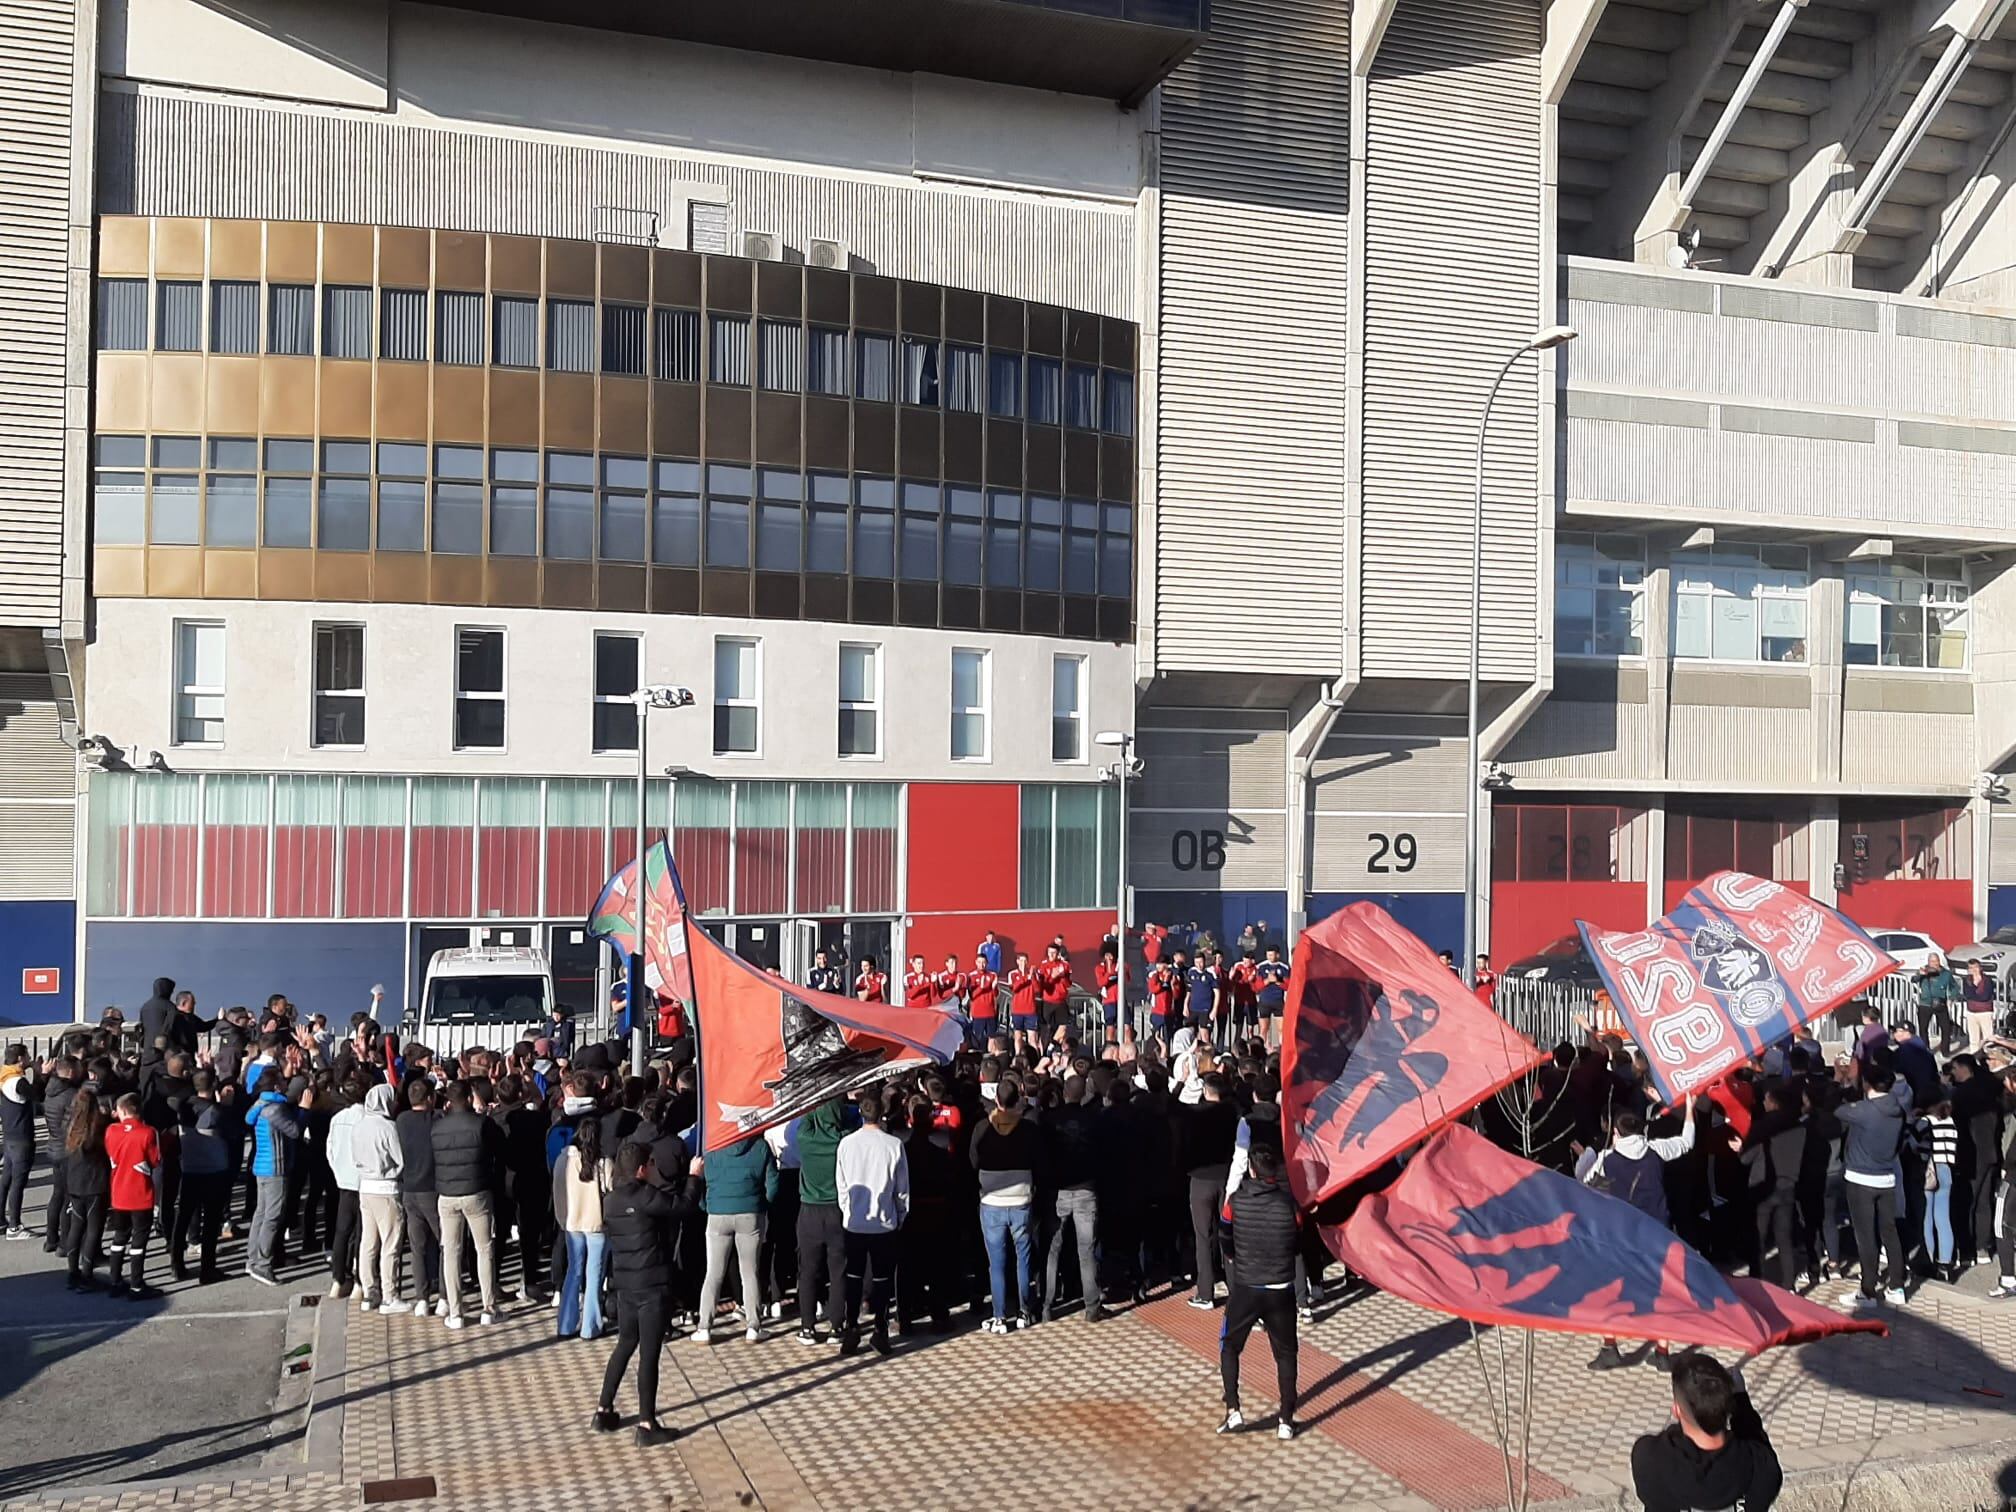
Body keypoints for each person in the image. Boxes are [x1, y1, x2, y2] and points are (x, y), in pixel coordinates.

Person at [597, 1140, 704, 1446]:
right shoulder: (647, 1197)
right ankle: (646, 1423)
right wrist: (694, 1178)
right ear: (642, 1169)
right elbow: (683, 1207)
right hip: (652, 1285)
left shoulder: (612, 1200)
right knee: (649, 1354)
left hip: (626, 1285)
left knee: (625, 1344)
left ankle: (604, 1408)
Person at [1578, 1095, 1697, 1369]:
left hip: (1620, 1237)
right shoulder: (1656, 1150)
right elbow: (1686, 1142)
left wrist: (1586, 1156)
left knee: (1609, 1291)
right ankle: (1662, 1351)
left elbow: (1584, 1181)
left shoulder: (1607, 1158)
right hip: (1657, 1234)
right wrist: (1690, 1109)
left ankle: (1610, 1348)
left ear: (1616, 1134)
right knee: (1661, 1291)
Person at [1216, 1142, 1301, 1440]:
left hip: (1246, 1286)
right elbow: (1299, 1241)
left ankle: (1233, 1410)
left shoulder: (1235, 1201)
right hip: (1281, 1289)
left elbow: (1224, 1234)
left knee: (1230, 1344)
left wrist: (1232, 1256)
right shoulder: (1289, 1203)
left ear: (1251, 1169)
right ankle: (1286, 1420)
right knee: (1286, 1353)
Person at [1630, 1354, 1781, 1512]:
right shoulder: (1760, 1467)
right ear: (1729, 1406)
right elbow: (1756, 1438)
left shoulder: (1649, 1459)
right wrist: (1742, 1402)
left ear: (1676, 1410)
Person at [835, 1094, 909, 1356]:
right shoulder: (893, 1145)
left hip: (855, 1221)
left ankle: (852, 1327)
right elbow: (902, 1188)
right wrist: (900, 1215)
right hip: (884, 1222)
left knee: (854, 1277)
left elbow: (841, 1185)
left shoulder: (846, 1144)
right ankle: (880, 1329)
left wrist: (848, 1211)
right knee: (882, 1279)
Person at [1838, 1063, 1912, 1308]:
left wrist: (1845, 1083)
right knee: (1890, 1232)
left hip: (1860, 1178)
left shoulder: (1864, 1110)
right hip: (1887, 1177)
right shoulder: (1897, 1109)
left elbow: (1838, 1110)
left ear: (1867, 1084)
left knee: (1865, 1236)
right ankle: (1897, 1286)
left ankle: (1868, 1290)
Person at [693, 1132, 777, 1344]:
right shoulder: (760, 1147)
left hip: (717, 1213)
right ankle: (754, 1326)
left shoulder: (712, 1147)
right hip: (750, 1213)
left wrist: (707, 1206)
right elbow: (773, 1183)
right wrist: (761, 1205)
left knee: (713, 1273)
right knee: (749, 1273)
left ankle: (704, 1327)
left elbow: (699, 1184)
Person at [432, 1079, 504, 1328]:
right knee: (484, 1249)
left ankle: (455, 1312)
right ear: (470, 1097)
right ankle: (489, 1307)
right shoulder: (481, 1124)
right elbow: (499, 1148)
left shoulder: (437, 1127)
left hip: (446, 1194)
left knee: (451, 1251)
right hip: (477, 1191)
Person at [971, 1077, 1039, 1333]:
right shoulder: (1029, 1129)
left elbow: (973, 1160)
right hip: (1021, 1198)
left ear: (997, 1100)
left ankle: (999, 1316)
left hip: (991, 1201)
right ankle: (1024, 1311)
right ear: (1019, 1100)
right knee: (1023, 1258)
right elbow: (1038, 1159)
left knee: (996, 1262)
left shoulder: (982, 1128)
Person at [1041, 1075, 1103, 1323]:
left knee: (1052, 1250)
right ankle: (1091, 1307)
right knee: (1086, 1251)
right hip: (1086, 1188)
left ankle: (1046, 1305)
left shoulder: (1049, 1120)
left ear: (1065, 1091)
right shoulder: (1094, 1120)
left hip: (1058, 1191)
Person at [1179, 1072, 1242, 1308]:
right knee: (1229, 1233)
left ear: (1205, 1091)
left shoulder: (1194, 1116)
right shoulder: (1232, 1115)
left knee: (1203, 1236)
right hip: (1226, 1178)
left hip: (1200, 1180)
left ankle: (1205, 1292)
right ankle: (1235, 1288)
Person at [794, 1097, 851, 1346]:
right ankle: (837, 1326)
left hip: (809, 1211)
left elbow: (805, 1115)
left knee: (808, 1271)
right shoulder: (845, 1140)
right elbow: (852, 1118)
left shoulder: (805, 1138)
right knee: (838, 1270)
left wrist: (816, 1099)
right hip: (837, 1210)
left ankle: (807, 1326)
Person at [246, 1067, 309, 1286]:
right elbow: (294, 1131)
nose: (285, 1084)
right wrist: (303, 1110)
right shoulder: (275, 1109)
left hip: (261, 1166)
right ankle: (263, 1264)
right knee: (272, 1217)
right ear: (275, 1086)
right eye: (282, 1081)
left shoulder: (260, 1105)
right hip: (275, 1167)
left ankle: (253, 1258)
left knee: (260, 1215)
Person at [555, 1115, 614, 1339]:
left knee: (573, 1271)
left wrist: (563, 1221)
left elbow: (558, 1193)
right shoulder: (603, 1163)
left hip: (572, 1224)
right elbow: (610, 1190)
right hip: (597, 1225)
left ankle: (566, 1324)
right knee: (594, 1275)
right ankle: (591, 1326)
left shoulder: (564, 1160)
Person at [173, 1070, 233, 1283]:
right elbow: (233, 1132)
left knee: (184, 1218)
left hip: (189, 1167)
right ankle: (208, 1268)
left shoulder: (183, 1107)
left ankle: (177, 1264)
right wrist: (226, 1105)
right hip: (214, 1169)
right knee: (211, 1221)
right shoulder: (216, 1112)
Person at [352, 1083, 406, 1313]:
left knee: (368, 1242)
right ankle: (389, 1295)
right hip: (387, 1188)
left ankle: (369, 1290)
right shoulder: (388, 1127)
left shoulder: (359, 1125)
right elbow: (400, 1159)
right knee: (390, 1243)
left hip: (365, 1187)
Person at [104, 1092, 162, 1299]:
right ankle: (136, 1285)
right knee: (139, 1240)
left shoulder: (111, 1131)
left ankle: (115, 1280)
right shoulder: (148, 1132)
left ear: (123, 1111)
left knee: (119, 1237)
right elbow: (155, 1161)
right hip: (140, 1194)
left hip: (119, 1193)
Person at [398, 1080, 444, 1315]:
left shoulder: (402, 1121)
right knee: (445, 1242)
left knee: (418, 1247)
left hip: (409, 1190)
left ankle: (422, 1298)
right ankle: (445, 1297)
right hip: (432, 1189)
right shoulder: (435, 1120)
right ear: (429, 1099)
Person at [61, 1094, 111, 1292]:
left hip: (75, 1182)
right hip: (94, 1183)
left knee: (77, 1226)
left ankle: (73, 1273)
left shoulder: (72, 1127)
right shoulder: (97, 1127)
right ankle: (87, 1274)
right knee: (93, 1230)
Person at [324, 1075, 367, 1300]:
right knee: (362, 1233)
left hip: (343, 1180)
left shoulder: (338, 1118)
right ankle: (360, 1282)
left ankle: (338, 1279)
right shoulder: (367, 1118)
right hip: (364, 1180)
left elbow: (330, 1149)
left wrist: (338, 1169)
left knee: (342, 1232)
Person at [1916, 1096, 1960, 1283]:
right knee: (1943, 1218)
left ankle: (1928, 1261)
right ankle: (1945, 1264)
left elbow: (1915, 1144)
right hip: (1946, 1170)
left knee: (1927, 1218)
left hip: (1929, 1171)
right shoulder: (1950, 1121)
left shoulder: (1925, 1122)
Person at [1, 1044, 34, 1240]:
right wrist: (41, 1074)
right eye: (27, 1055)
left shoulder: (4, 1075)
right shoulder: (19, 1081)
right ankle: (14, 1226)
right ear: (21, 1058)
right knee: (17, 1183)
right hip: (22, 1137)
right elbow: (38, 1096)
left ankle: (1, 1221)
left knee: (6, 1180)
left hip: (9, 1135)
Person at [1915, 955, 1958, 1054]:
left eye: (1936, 961)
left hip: (1940, 1003)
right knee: (1923, 1028)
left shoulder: (1946, 974)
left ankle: (1945, 1051)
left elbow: (1954, 986)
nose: (1934, 963)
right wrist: (1920, 974)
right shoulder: (1924, 971)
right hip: (1925, 1004)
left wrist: (1951, 997)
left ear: (1939, 961)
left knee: (1945, 1028)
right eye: (1932, 961)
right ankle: (1925, 1049)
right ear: (1928, 962)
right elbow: (1914, 979)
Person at [1254, 948, 1290, 1048]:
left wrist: (1277, 981)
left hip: (1278, 1001)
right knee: (1263, 1029)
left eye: (1271, 955)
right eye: (1268, 955)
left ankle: (1282, 1050)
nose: (1269, 957)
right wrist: (1268, 981)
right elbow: (1257, 987)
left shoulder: (1284, 968)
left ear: (1277, 955)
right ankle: (1263, 1050)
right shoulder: (1261, 967)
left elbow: (1288, 986)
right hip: (1265, 1001)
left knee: (1282, 1029)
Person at [1961, 959, 1998, 1054]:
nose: (1973, 970)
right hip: (1971, 1013)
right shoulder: (1966, 980)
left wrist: (1974, 995)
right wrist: (1974, 988)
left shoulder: (1987, 980)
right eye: (1971, 968)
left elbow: (1985, 996)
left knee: (1988, 1038)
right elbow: (1967, 994)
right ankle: (1974, 1059)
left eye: (1975, 967)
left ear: (1980, 968)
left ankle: (1989, 1058)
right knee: (1973, 1040)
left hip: (1985, 1012)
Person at [967, 952, 1001, 1052]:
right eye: (979, 962)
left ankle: (990, 1061)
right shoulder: (971, 976)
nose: (982, 965)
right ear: (976, 963)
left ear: (987, 963)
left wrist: (994, 987)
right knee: (977, 1039)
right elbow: (972, 996)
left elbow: (996, 994)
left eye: (984, 962)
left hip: (990, 1012)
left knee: (992, 1038)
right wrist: (982, 988)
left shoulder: (992, 975)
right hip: (978, 1013)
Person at [1035, 944, 1073, 1033]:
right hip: (1048, 1001)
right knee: (1047, 1028)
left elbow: (1068, 984)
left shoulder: (1065, 965)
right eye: (1049, 952)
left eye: (1053, 953)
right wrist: (1053, 977)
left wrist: (1063, 975)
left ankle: (1053, 1044)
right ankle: (1047, 1045)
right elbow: (1043, 985)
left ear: (1058, 954)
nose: (1051, 955)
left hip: (1061, 1001)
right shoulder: (1044, 965)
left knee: (1063, 1027)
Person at [1006, 952, 1039, 1053]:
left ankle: (1035, 1059)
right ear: (1017, 961)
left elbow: (1037, 989)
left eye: (1025, 961)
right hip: (1017, 1010)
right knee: (1018, 1036)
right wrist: (1025, 978)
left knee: (1032, 1038)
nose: (1023, 963)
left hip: (1030, 1010)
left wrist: (1032, 977)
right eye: (1021, 960)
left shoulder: (1033, 973)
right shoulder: (1012, 974)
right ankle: (1017, 1057)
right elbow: (1014, 988)